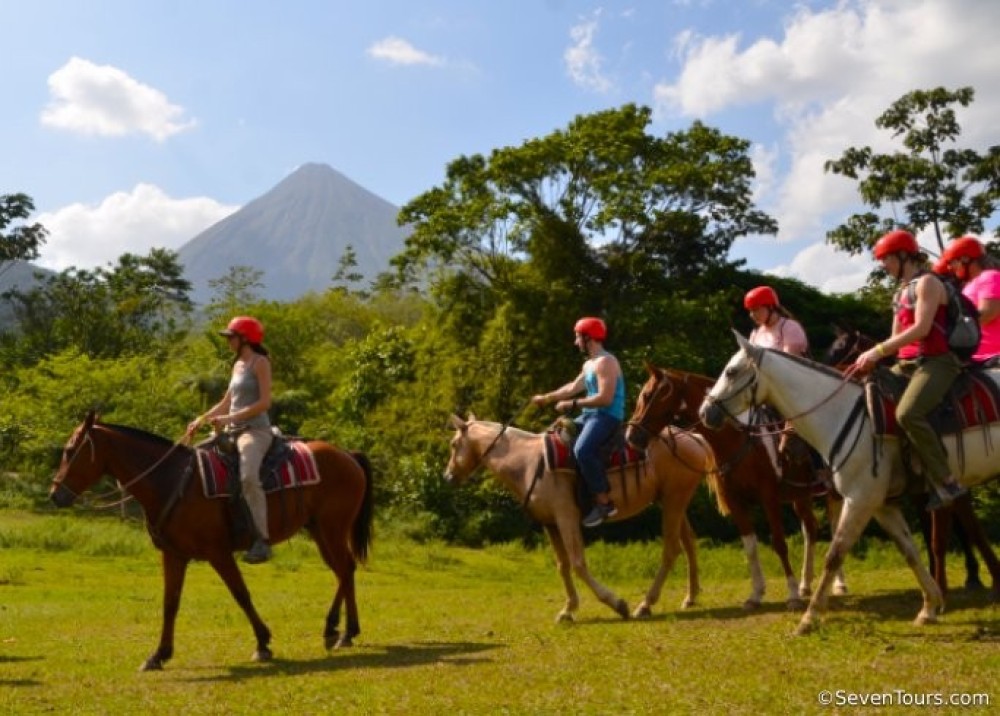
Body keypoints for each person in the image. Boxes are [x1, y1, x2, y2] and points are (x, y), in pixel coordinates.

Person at [853, 229, 968, 510]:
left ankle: (947, 482)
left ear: (904, 256)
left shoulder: (927, 283)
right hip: (906, 364)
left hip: (937, 361)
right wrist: (876, 361)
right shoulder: (900, 294)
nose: (883, 265)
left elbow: (921, 329)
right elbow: (895, 338)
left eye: (886, 258)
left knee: (908, 413)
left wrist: (876, 351)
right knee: (867, 394)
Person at [187, 316, 275, 563]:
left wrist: (230, 418)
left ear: (245, 339)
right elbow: (226, 402)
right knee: (195, 464)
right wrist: (201, 419)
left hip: (254, 432)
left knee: (248, 477)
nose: (227, 341)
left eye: (231, 336)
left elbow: (264, 402)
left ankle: (262, 540)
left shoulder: (261, 363)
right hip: (231, 429)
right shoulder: (237, 365)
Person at [531, 317, 625, 528]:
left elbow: (605, 398)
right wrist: (546, 398)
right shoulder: (590, 364)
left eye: (577, 337)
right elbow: (572, 387)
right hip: (591, 416)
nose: (575, 342)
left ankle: (604, 503)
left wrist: (571, 404)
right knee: (557, 434)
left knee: (583, 450)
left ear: (587, 338)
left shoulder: (606, 362)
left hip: (607, 417)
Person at [743, 286, 830, 487]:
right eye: (750, 310)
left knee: (804, 425)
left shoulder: (790, 328)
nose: (752, 314)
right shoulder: (755, 334)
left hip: (796, 391)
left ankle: (822, 471)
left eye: (756, 309)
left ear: (770, 307)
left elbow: (788, 368)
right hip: (766, 392)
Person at [942, 235, 1000, 362]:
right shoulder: (968, 286)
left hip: (992, 358)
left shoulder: (990, 276)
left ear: (966, 259)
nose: (950, 267)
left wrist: (952, 328)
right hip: (975, 359)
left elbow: (988, 312)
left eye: (953, 262)